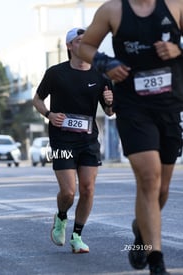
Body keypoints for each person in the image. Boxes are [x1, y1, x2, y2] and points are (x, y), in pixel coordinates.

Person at [78, 1, 182, 274]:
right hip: (133, 107)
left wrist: (178, 48)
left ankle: (141, 231)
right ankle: (156, 259)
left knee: (161, 190)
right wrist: (104, 63)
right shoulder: (112, 10)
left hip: (169, 106)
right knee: (149, 177)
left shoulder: (176, 6)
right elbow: (85, 46)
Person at [32, 27, 114, 254]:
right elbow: (37, 99)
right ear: (69, 46)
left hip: (88, 140)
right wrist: (49, 115)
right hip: (61, 140)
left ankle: (77, 236)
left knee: (87, 189)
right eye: (80, 40)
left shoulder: (101, 75)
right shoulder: (56, 73)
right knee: (68, 192)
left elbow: (109, 112)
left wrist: (109, 102)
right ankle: (61, 217)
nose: (86, 43)